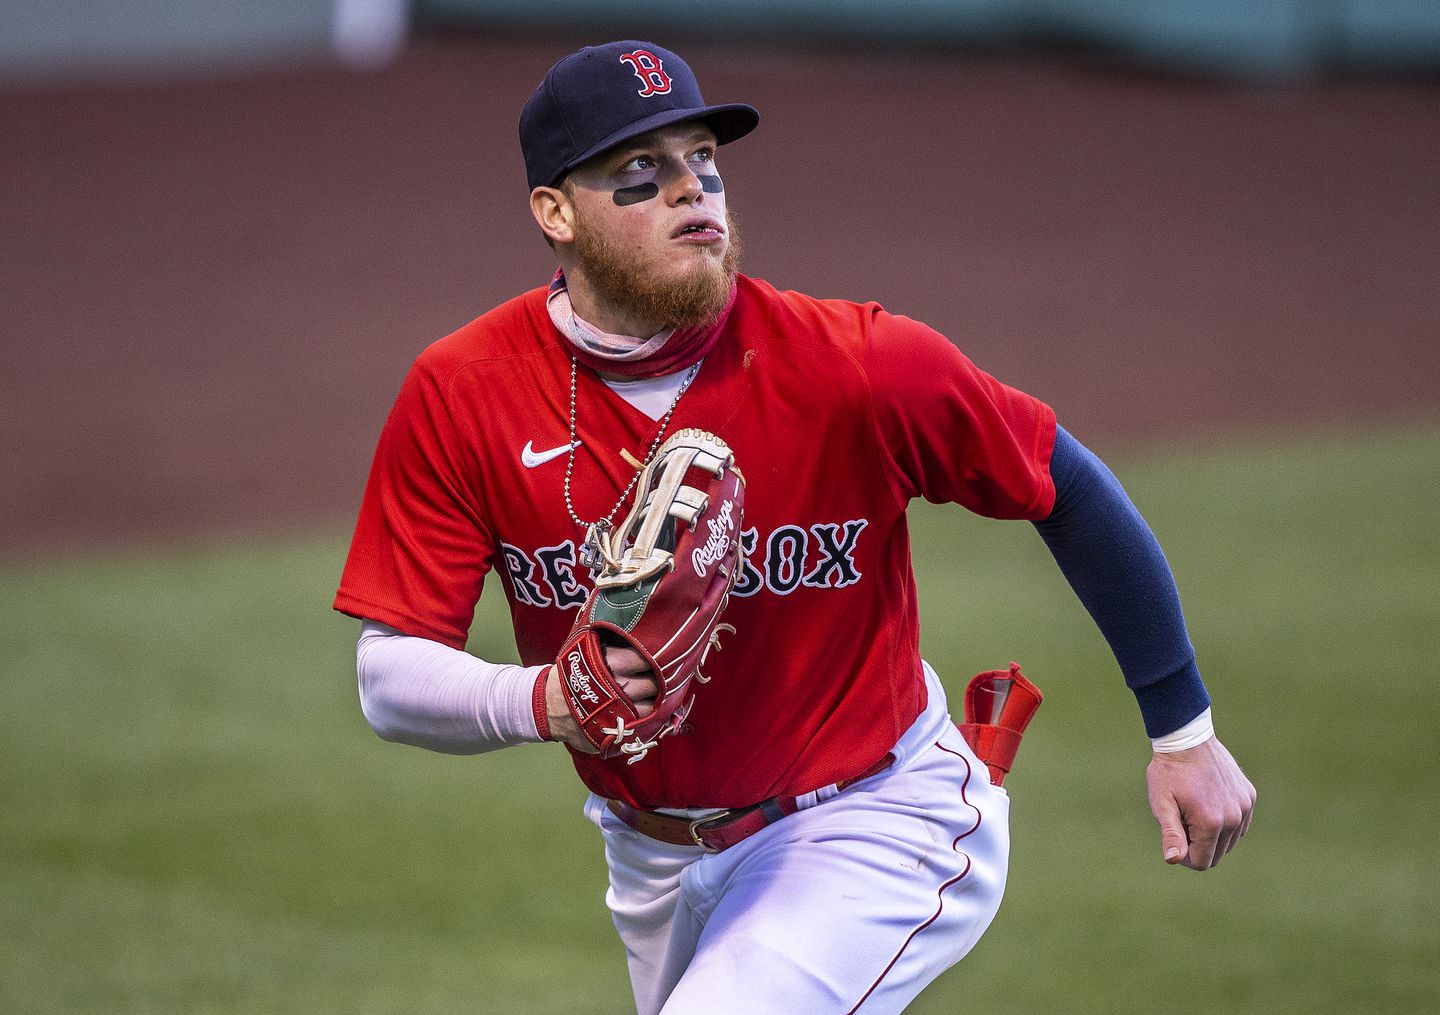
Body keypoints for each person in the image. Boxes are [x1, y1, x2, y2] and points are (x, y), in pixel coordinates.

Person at [334, 40, 1256, 1014]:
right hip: (648, 852)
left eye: (705, 162)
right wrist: (547, 701)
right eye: (640, 175)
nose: (692, 191)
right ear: (555, 213)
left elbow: (1068, 488)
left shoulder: (857, 363)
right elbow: (388, 677)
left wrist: (1183, 731)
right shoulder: (464, 389)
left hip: (872, 817)